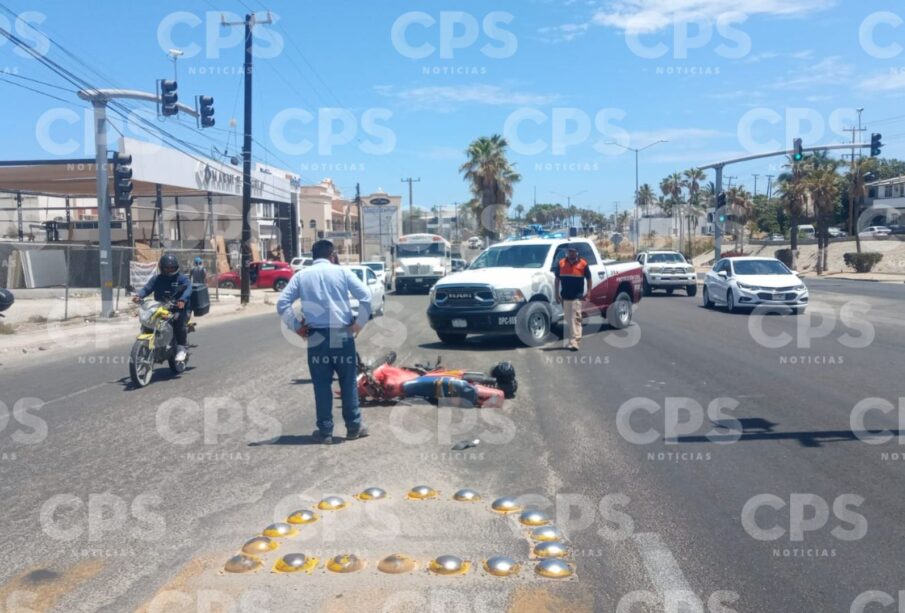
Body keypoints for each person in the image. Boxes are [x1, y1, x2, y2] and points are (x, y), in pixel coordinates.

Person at [276, 240, 372, 445]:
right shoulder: (342, 272)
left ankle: (325, 431)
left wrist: (296, 327)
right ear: (332, 255)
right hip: (341, 333)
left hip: (316, 335)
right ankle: (354, 428)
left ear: (313, 256)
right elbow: (366, 296)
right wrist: (358, 324)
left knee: (321, 385)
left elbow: (282, 303)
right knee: (347, 382)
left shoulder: (301, 276)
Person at [133, 253, 192, 362]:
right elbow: (147, 289)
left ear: (176, 267)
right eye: (167, 268)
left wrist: (182, 300)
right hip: (162, 307)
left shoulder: (181, 278)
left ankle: (181, 347)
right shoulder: (157, 279)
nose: (170, 270)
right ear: (162, 268)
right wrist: (139, 296)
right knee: (150, 319)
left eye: (172, 268)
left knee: (178, 320)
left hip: (180, 308)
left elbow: (188, 289)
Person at [554, 246, 591, 352]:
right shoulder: (561, 263)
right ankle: (574, 338)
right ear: (567, 253)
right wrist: (556, 294)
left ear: (577, 253)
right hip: (565, 296)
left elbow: (589, 279)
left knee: (575, 318)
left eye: (573, 252)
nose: (571, 253)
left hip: (577, 296)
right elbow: (557, 279)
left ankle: (574, 342)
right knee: (568, 319)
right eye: (570, 252)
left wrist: (589, 292)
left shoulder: (583, 264)